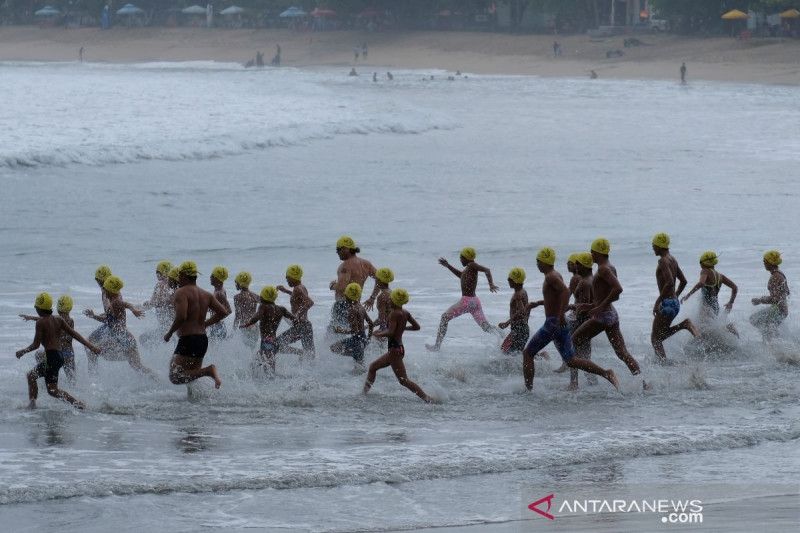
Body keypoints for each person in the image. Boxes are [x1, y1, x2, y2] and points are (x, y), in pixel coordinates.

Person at [523, 248, 619, 391]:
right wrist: (538, 304)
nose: (537, 264)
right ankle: (606, 373)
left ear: (544, 261)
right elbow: (554, 298)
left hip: (552, 323)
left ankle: (528, 390)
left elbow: (566, 292)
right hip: (559, 323)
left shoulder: (551, 276)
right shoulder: (554, 275)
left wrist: (560, 314)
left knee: (528, 353)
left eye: (538, 261)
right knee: (572, 360)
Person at [571, 238, 645, 386]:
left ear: (598, 252)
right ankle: (643, 383)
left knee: (573, 341)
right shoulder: (611, 267)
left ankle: (578, 381)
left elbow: (618, 289)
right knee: (622, 353)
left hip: (603, 316)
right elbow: (611, 295)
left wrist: (599, 307)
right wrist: (590, 306)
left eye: (592, 251)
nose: (591, 254)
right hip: (611, 314)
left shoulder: (603, 269)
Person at [16, 293, 100, 409]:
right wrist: (92, 347)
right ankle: (79, 405)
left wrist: (22, 351)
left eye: (36, 308)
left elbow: (35, 345)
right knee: (52, 389)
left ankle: (32, 405)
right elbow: (75, 334)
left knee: (32, 376)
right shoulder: (58, 319)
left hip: (52, 357)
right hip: (59, 356)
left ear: (39, 309)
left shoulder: (40, 322)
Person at [164, 261, 229, 388]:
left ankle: (209, 370)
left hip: (189, 340)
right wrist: (205, 324)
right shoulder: (206, 294)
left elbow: (181, 316)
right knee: (192, 376)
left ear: (183, 275)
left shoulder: (181, 292)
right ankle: (194, 404)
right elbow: (223, 312)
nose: (178, 278)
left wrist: (169, 332)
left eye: (179, 275)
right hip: (202, 340)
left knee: (175, 376)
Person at [364, 288, 432, 403]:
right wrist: (402, 328)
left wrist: (378, 333)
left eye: (391, 298)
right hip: (398, 349)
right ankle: (364, 394)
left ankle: (427, 398)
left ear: (394, 301)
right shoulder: (405, 312)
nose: (389, 299)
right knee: (373, 367)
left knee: (403, 380)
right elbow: (417, 327)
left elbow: (390, 332)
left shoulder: (394, 314)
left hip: (394, 351)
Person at [426, 247, 500, 351]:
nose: (460, 260)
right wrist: (448, 266)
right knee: (485, 327)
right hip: (475, 302)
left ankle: (437, 346)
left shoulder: (471, 265)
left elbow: (487, 270)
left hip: (467, 301)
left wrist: (491, 284)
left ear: (466, 257)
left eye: (461, 258)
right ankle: (502, 334)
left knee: (444, 318)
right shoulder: (469, 269)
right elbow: (461, 275)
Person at [85, 275, 159, 379]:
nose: (104, 291)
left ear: (111, 290)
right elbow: (108, 320)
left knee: (94, 350)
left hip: (123, 339)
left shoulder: (116, 301)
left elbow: (126, 304)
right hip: (123, 338)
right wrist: (94, 316)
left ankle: (95, 379)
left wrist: (134, 310)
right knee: (137, 366)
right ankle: (156, 378)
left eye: (105, 288)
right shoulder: (113, 302)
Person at [650, 233, 699, 362]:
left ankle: (684, 325)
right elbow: (683, 281)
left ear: (660, 246)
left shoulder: (663, 261)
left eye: (654, 245)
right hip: (673, 303)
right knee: (658, 337)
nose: (653, 248)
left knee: (655, 339)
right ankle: (663, 362)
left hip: (666, 304)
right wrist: (675, 296)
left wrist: (658, 301)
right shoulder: (673, 260)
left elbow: (670, 282)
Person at [19, 294, 80, 384]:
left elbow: (46, 320)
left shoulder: (57, 320)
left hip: (58, 353)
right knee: (72, 381)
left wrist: (31, 318)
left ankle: (47, 376)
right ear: (70, 308)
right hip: (69, 354)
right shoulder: (71, 321)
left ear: (58, 308)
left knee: (38, 355)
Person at [680, 251, 739, 337]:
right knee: (711, 328)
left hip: (706, 306)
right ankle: (727, 327)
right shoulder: (720, 276)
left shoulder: (705, 271)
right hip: (715, 306)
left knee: (701, 330)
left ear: (704, 262)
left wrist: (688, 295)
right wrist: (731, 302)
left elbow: (701, 283)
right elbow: (735, 287)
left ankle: (728, 327)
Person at [329, 235, 378, 334]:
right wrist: (372, 297)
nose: (337, 252)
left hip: (342, 305)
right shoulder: (366, 264)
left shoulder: (345, 266)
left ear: (346, 249)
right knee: (356, 333)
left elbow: (342, 287)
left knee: (335, 334)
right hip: (357, 305)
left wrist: (332, 286)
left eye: (338, 249)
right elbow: (381, 279)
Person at [240, 286, 295, 374]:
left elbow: (257, 316)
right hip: (273, 340)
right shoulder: (281, 309)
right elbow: (294, 319)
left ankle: (270, 382)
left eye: (261, 295)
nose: (260, 297)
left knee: (265, 364)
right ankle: (268, 381)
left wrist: (248, 324)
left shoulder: (263, 307)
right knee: (263, 362)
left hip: (266, 340)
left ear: (263, 296)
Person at [566, 252, 597, 390]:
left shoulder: (584, 282)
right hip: (588, 320)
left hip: (581, 321)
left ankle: (574, 383)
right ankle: (592, 381)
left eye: (577, 263)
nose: (575, 266)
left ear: (583, 265)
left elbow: (583, 306)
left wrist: (570, 307)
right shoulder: (592, 279)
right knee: (585, 354)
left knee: (573, 352)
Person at [330, 283, 374, 370]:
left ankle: (355, 353)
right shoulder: (361, 307)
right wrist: (368, 339)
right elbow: (371, 324)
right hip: (363, 338)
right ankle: (357, 353)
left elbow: (355, 331)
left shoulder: (351, 310)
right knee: (360, 367)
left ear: (346, 296)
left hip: (356, 340)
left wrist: (340, 331)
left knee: (333, 348)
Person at [276, 264, 316, 360]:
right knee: (310, 355)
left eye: (288, 277)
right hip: (306, 326)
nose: (287, 280)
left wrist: (297, 316)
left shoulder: (298, 288)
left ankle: (299, 352)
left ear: (294, 277)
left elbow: (310, 302)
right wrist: (286, 291)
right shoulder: (300, 287)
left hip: (301, 326)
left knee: (276, 344)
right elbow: (297, 298)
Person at [750, 250, 789, 341]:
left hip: (777, 309)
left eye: (765, 261)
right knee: (768, 328)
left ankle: (774, 345)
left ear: (770, 262)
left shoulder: (775, 276)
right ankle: (777, 345)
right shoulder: (780, 274)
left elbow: (775, 299)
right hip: (782, 309)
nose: (763, 263)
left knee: (754, 319)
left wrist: (759, 300)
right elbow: (786, 293)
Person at [140, 260, 174, 345]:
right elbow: (154, 302)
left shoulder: (160, 285)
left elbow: (154, 303)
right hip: (172, 326)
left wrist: (138, 307)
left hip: (167, 327)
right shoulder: (175, 285)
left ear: (163, 272)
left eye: (158, 272)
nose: (156, 275)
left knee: (143, 339)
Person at [499, 267, 530, 355]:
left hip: (520, 330)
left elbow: (522, 312)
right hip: (520, 329)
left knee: (509, 354)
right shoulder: (522, 291)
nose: (508, 280)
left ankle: (540, 356)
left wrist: (507, 323)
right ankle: (537, 357)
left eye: (510, 278)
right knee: (507, 352)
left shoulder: (518, 294)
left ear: (515, 280)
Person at [85, 264, 113, 347]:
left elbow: (109, 320)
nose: (97, 282)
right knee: (89, 342)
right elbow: (112, 314)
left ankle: (92, 360)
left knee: (89, 345)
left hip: (111, 328)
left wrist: (93, 316)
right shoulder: (112, 290)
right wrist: (105, 314)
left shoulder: (107, 294)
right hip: (110, 326)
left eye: (98, 280)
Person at [233, 271, 260, 349]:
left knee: (245, 351)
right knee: (253, 350)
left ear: (240, 283)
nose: (236, 284)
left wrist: (234, 331)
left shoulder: (237, 297)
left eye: (236, 282)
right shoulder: (255, 296)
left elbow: (237, 316)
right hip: (255, 326)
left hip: (245, 326)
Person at [208, 266, 232, 340]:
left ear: (217, 278)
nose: (210, 277)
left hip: (217, 327)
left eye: (212, 275)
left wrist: (214, 320)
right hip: (217, 326)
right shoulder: (218, 290)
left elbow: (229, 310)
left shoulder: (219, 293)